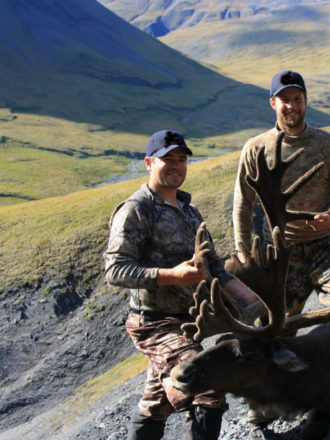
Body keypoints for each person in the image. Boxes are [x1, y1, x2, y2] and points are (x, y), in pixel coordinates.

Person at [104, 130, 258, 440]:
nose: (176, 165)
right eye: (167, 160)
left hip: (189, 322)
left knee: (155, 404)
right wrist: (172, 275)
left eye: (181, 160)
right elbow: (115, 269)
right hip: (154, 324)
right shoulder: (136, 210)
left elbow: (213, 266)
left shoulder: (189, 212)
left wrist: (250, 298)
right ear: (149, 163)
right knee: (207, 384)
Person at [232, 70, 330, 318]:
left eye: (297, 98)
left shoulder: (328, 144)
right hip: (280, 256)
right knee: (272, 329)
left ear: (306, 101)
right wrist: (246, 259)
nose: (291, 106)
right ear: (273, 103)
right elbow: (242, 206)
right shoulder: (255, 149)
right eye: (284, 99)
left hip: (325, 250)